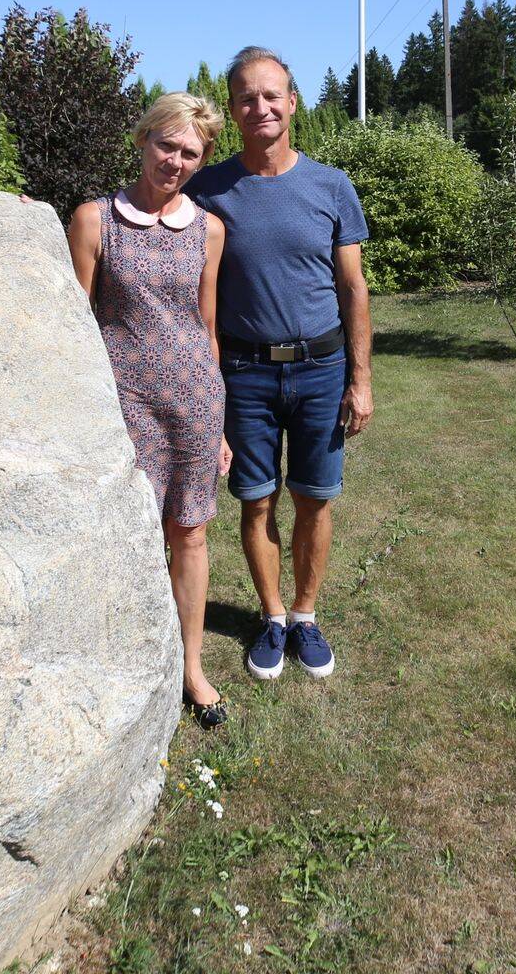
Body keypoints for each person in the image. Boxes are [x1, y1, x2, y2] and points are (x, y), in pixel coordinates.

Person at [185, 46, 372, 683]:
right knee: (257, 501)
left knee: (314, 500)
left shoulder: (331, 186)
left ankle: (305, 614)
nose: (260, 106)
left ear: (292, 103)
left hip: (321, 369)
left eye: (272, 95)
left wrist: (361, 378)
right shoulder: (208, 190)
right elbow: (147, 204)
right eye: (246, 97)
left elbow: (353, 290)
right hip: (244, 374)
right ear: (233, 110)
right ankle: (270, 616)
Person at [67, 92, 233, 728]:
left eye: (191, 152)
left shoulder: (209, 229)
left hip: (193, 403)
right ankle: (130, 659)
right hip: (122, 405)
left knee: (190, 532)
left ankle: (191, 667)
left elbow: (207, 324)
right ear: (143, 140)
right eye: (167, 144)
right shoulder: (93, 219)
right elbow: (75, 325)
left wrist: (217, 422)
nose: (176, 159)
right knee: (128, 535)